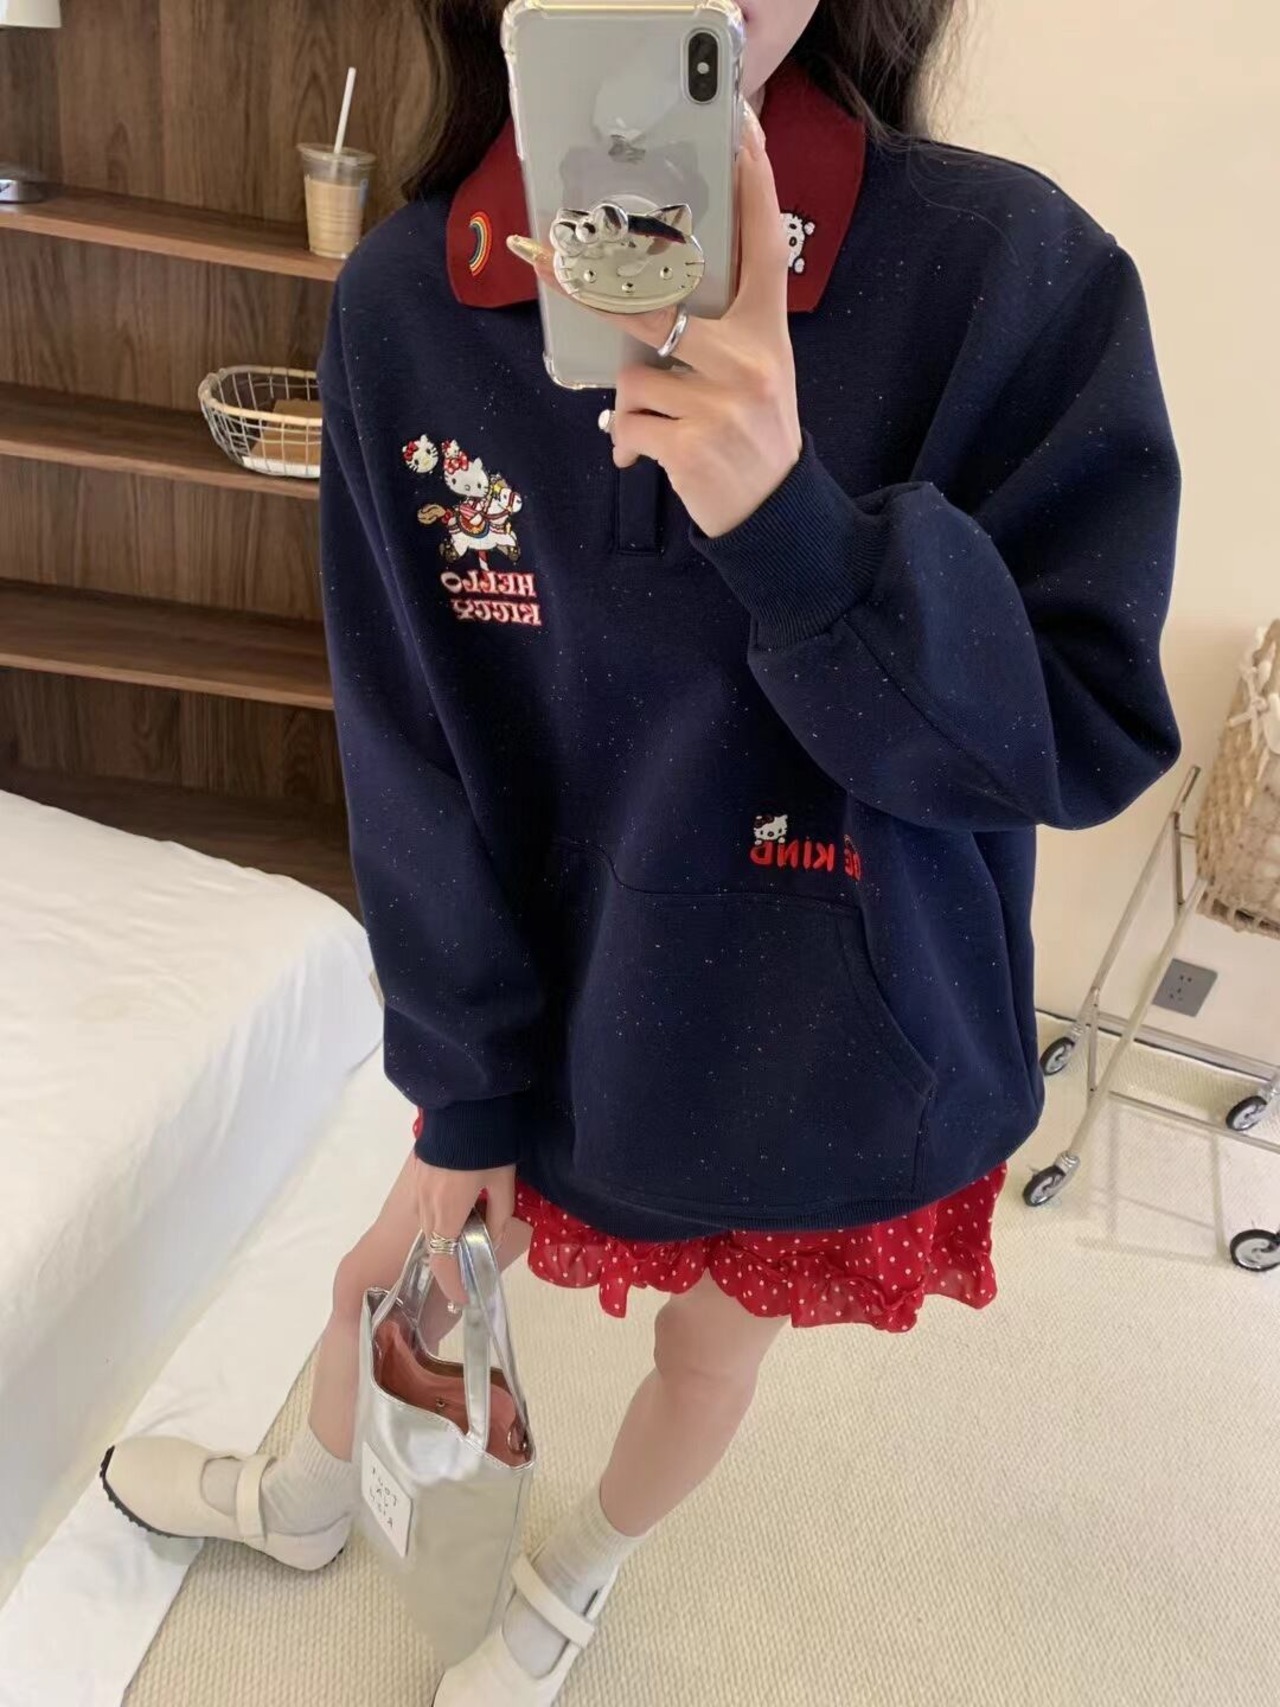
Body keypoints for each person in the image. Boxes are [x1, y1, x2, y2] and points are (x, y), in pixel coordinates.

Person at [101, 0, 1182, 1698]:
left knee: (705, 1361)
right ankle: (305, 1499)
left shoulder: (1010, 277)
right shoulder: (407, 305)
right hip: (555, 1029)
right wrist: (461, 1080)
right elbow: (412, 752)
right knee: (382, 1282)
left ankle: (570, 1583)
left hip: (834, 1056)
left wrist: (796, 529)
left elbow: (1081, 732)